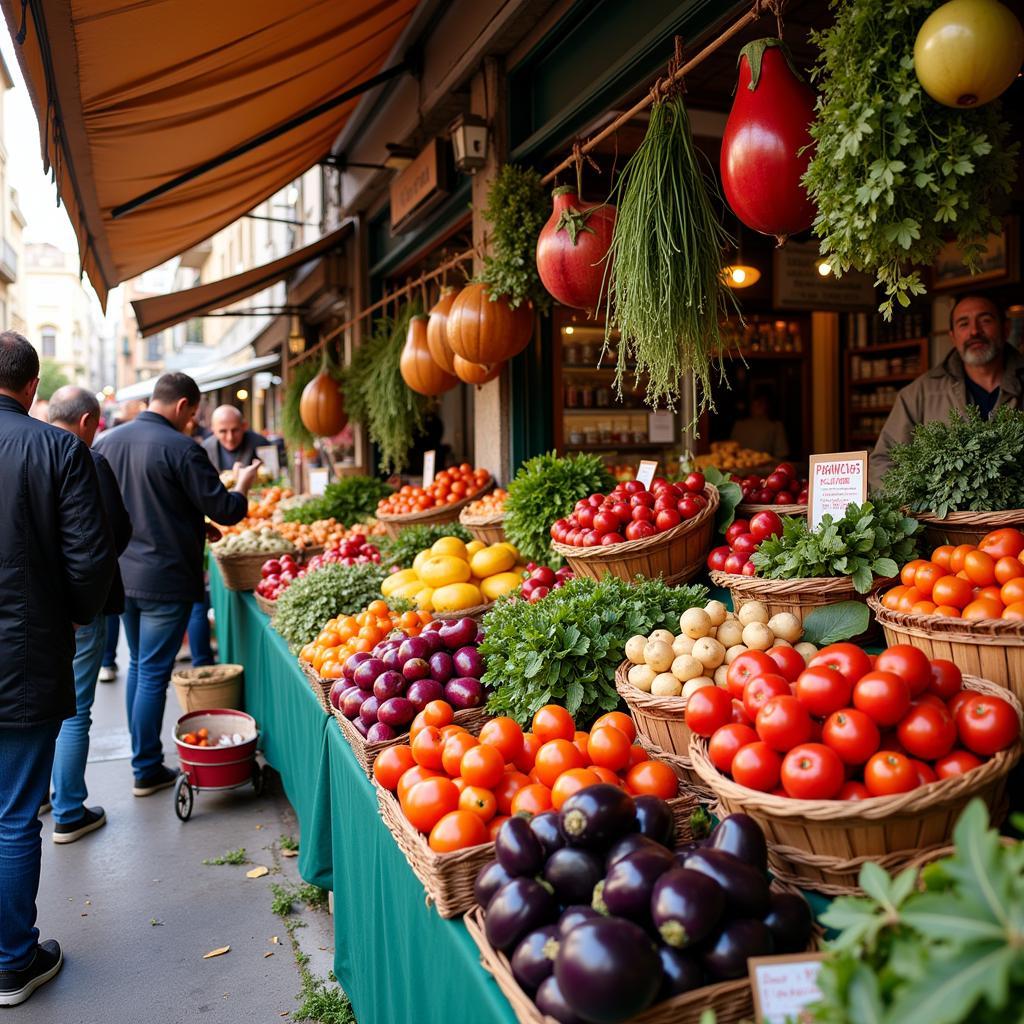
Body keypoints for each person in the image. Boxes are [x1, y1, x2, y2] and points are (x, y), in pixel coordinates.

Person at [0, 333, 115, 1006]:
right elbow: (90, 559)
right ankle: (13, 962)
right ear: (33, 387)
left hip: (22, 650)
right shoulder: (58, 447)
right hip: (22, 654)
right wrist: (74, 613)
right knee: (15, 814)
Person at [94, 374, 260, 796]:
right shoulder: (183, 447)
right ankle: (146, 767)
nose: (194, 422)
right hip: (164, 578)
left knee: (139, 668)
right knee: (153, 673)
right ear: (184, 405)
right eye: (194, 414)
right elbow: (227, 508)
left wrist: (191, 523)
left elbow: (130, 506)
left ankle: (142, 756)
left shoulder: (107, 442)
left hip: (122, 574)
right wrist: (242, 485)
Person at [47, 387, 133, 844]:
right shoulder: (85, 459)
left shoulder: (28, 448)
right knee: (75, 711)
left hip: (32, 608)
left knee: (38, 707)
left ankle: (43, 793)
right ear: (85, 421)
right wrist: (84, 603)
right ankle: (68, 809)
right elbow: (113, 533)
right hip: (78, 608)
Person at [869, 294, 1024, 489]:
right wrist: (917, 505)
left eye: (985, 320)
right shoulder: (920, 393)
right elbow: (883, 461)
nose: (974, 331)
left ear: (1006, 328)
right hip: (938, 518)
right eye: (963, 324)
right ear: (953, 336)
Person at [201, 404, 269, 472]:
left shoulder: (261, 444)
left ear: (244, 426)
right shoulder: (205, 449)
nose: (230, 438)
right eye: (223, 431)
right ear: (213, 430)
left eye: (235, 430)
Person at [730, 388, 789, 460]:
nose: (757, 405)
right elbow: (730, 452)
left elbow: (781, 455)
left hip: (767, 468)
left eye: (761, 402)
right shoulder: (739, 425)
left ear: (768, 405)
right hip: (739, 468)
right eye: (755, 402)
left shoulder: (775, 426)